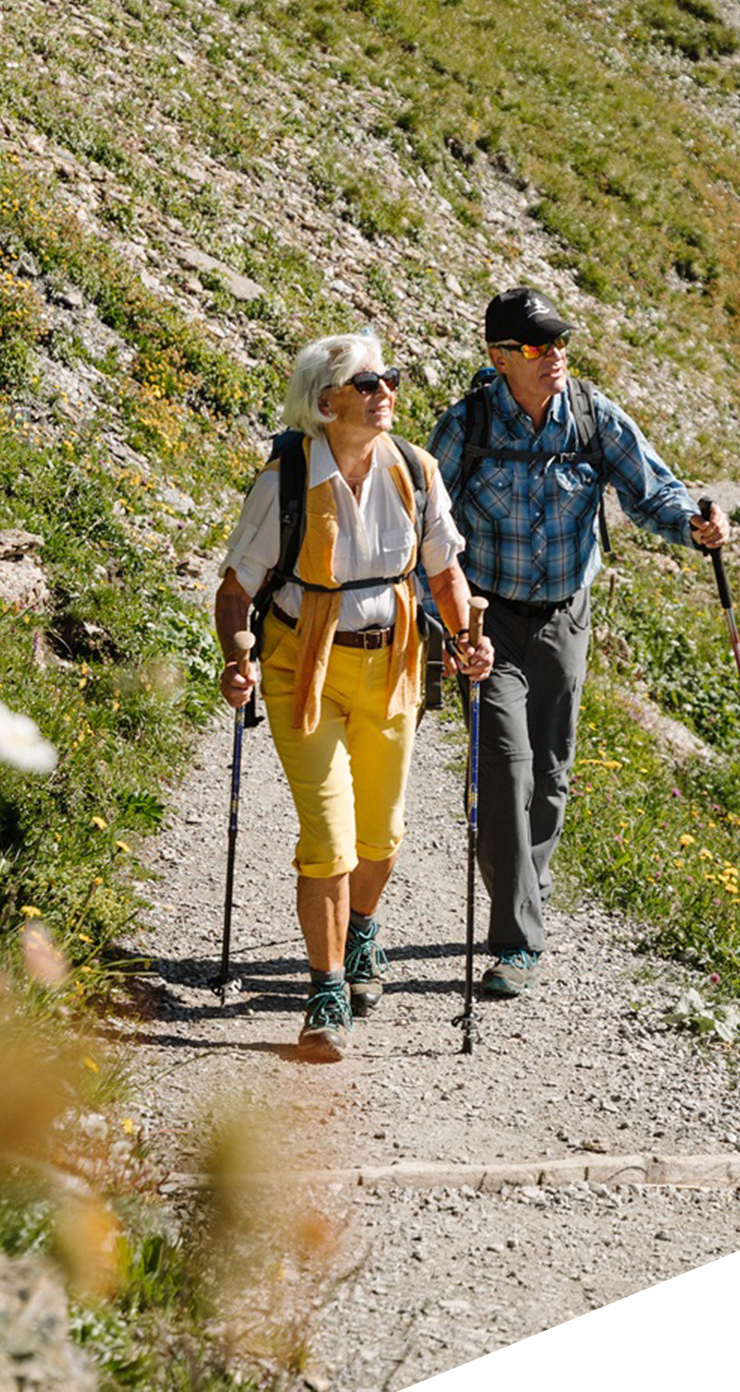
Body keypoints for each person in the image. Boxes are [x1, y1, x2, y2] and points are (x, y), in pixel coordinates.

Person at [428, 286, 724, 997]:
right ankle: (516, 941)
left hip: (565, 615)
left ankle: (525, 888)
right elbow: (423, 522)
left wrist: (693, 524)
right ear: (501, 357)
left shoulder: (592, 416)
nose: (554, 355)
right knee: (506, 766)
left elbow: (652, 490)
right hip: (487, 621)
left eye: (560, 341)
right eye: (537, 346)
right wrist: (439, 621)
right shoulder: (466, 425)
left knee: (551, 770)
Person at [216, 331, 494, 1060]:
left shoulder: (415, 470)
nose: (385, 392)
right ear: (325, 402)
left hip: (394, 667)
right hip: (301, 671)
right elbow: (235, 590)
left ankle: (362, 928)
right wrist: (236, 660)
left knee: (382, 835)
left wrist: (468, 639)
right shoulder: (286, 482)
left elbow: (444, 573)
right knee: (329, 840)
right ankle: (327, 989)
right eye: (367, 384)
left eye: (388, 379)